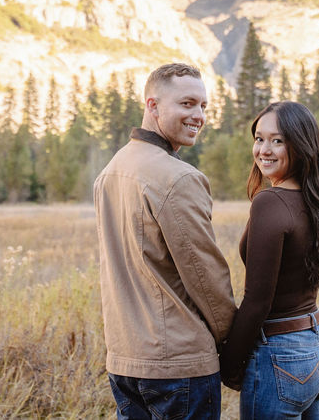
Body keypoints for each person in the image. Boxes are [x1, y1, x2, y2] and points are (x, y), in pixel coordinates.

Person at [94, 62, 237, 420]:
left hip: (125, 358)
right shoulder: (178, 178)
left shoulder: (111, 170)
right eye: (187, 104)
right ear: (153, 106)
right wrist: (234, 345)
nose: (199, 116)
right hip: (179, 365)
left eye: (203, 106)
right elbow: (207, 278)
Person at [220, 101, 319, 419]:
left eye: (277, 140)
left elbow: (257, 301)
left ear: (300, 145)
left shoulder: (270, 203)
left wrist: (228, 365)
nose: (264, 150)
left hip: (282, 356)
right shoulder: (315, 199)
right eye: (259, 138)